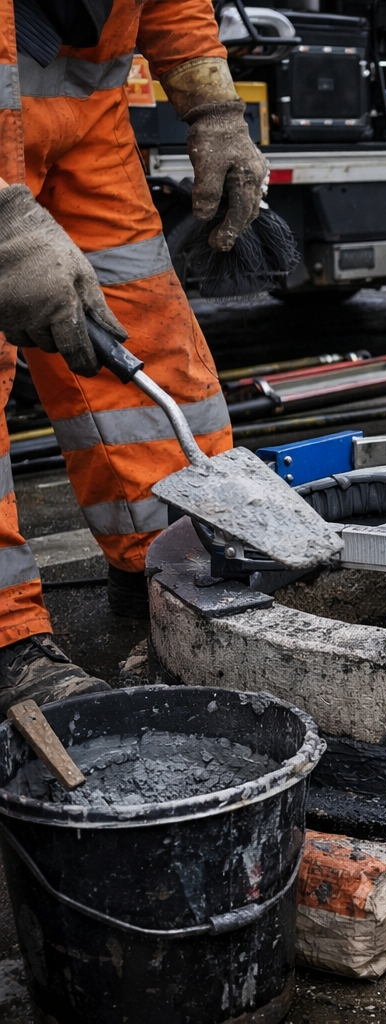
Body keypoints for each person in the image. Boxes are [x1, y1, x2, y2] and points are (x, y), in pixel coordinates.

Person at [0, 0, 263, 708]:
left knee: (145, 342)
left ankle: (167, 570)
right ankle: (6, 642)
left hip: (87, 118)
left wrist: (215, 111)